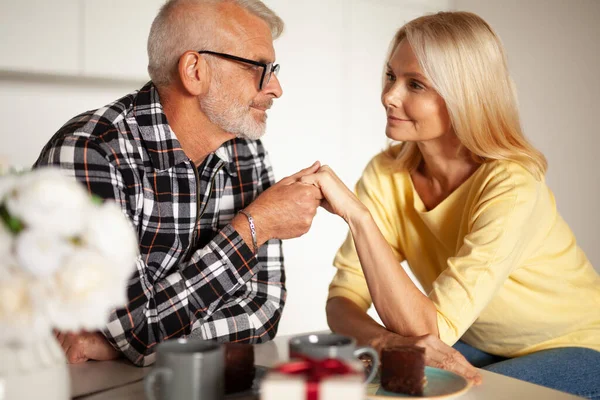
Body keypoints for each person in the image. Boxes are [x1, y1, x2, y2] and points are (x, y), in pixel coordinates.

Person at [301, 11, 600, 397]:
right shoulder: (386, 174)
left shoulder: (512, 185)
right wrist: (388, 344)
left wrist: (357, 217)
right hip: (482, 342)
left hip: (579, 345)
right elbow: (342, 302)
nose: (389, 96)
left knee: (455, 396)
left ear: (465, 96)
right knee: (385, 382)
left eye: (416, 84)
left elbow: (431, 329)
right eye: (391, 76)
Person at [35, 0, 323, 367]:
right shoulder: (91, 153)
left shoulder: (247, 152)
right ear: (194, 71)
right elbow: (141, 330)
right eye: (259, 68)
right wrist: (254, 226)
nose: (276, 87)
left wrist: (119, 348)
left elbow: (261, 312)